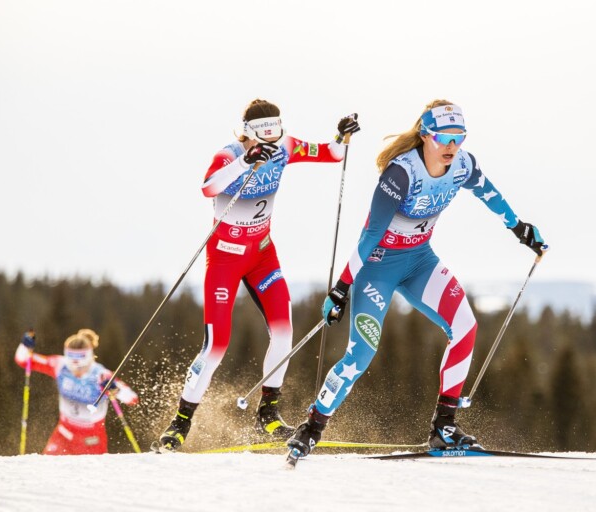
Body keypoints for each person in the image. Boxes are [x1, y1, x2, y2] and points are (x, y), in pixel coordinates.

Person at [287, 100, 547, 458]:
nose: (451, 146)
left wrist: (519, 228)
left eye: (459, 137)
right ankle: (311, 427)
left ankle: (444, 427)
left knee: (466, 327)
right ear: (425, 135)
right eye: (443, 137)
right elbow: (371, 235)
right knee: (361, 353)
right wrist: (341, 288)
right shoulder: (401, 174)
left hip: (420, 262)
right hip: (377, 268)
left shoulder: (463, 165)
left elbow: (489, 194)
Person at [156, 99, 360, 452]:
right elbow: (208, 187)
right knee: (216, 345)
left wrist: (342, 136)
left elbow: (331, 153)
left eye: (275, 133)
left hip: (262, 255)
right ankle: (181, 422)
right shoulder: (228, 155)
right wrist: (244, 162)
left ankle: (268, 413)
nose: (270, 142)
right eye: (263, 136)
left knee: (284, 331)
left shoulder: (286, 146)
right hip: (225, 259)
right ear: (247, 133)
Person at [14, 328, 139, 455]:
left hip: (92, 440)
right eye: (71, 363)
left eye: (80, 365)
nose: (76, 371)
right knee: (47, 466)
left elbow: (132, 399)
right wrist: (25, 346)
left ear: (89, 358)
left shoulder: (101, 375)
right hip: (64, 434)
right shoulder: (60, 365)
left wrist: (115, 390)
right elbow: (24, 360)